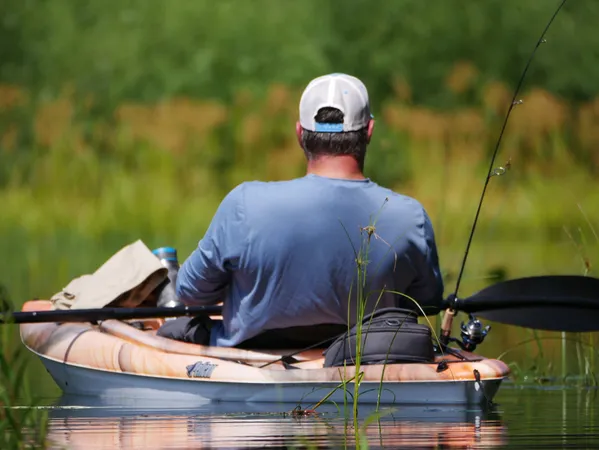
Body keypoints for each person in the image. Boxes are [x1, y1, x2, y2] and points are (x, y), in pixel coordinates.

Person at [157, 73, 444, 348]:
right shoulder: (410, 216)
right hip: (365, 360)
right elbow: (427, 300)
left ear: (299, 133)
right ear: (369, 131)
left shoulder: (244, 203)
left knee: (169, 329)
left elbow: (190, 292)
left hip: (252, 360)